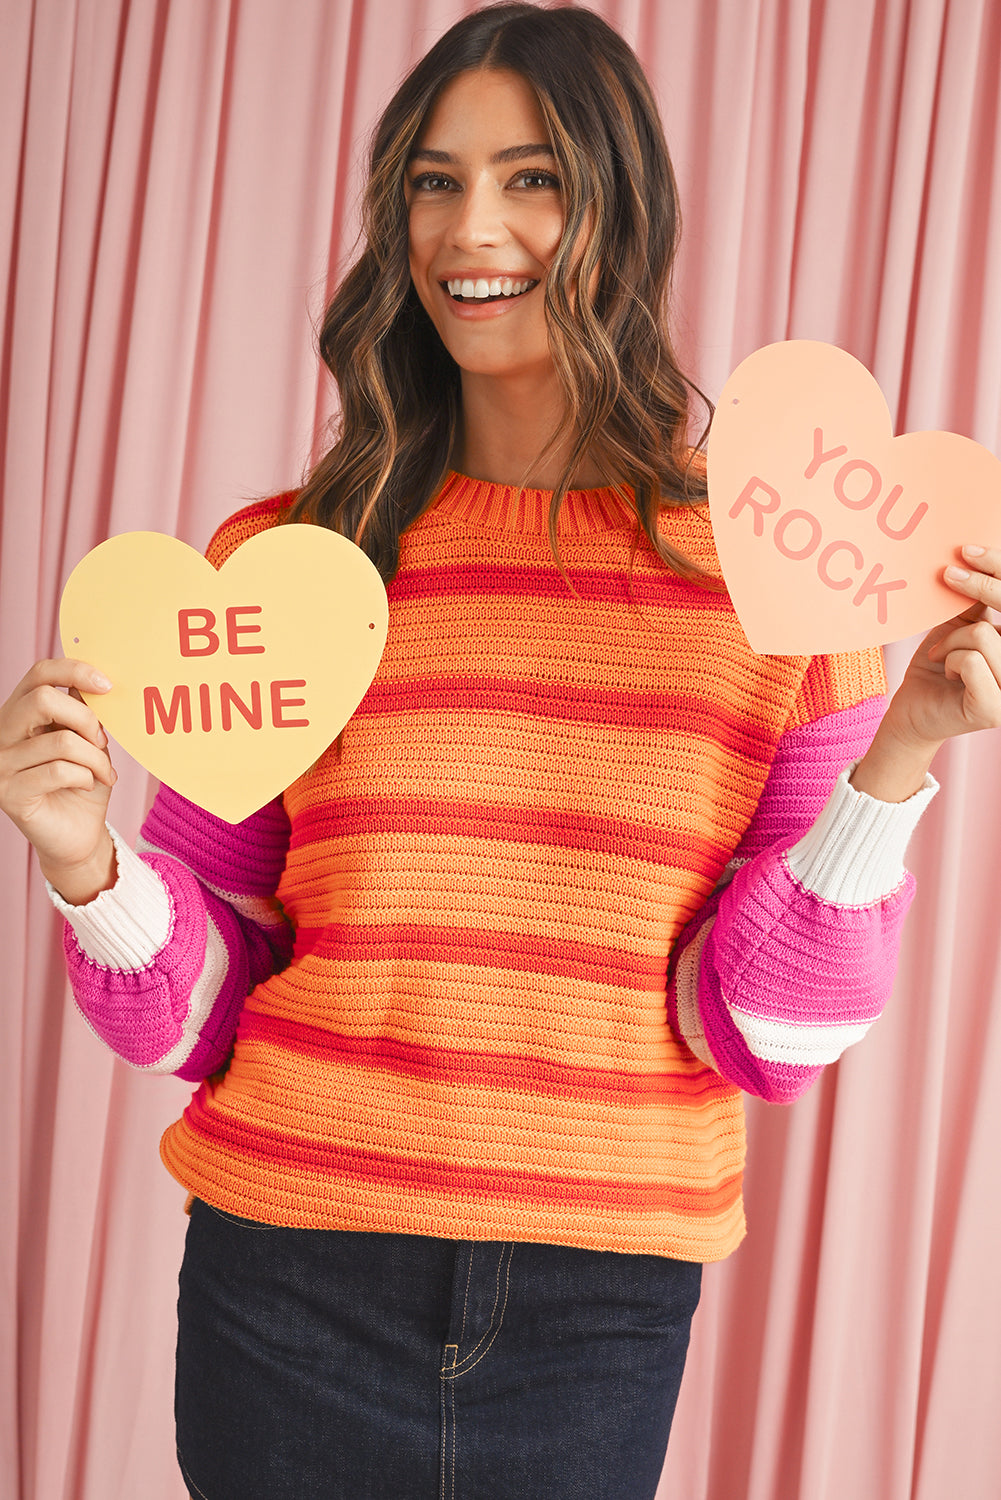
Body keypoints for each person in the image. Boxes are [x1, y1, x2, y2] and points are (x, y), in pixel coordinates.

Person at [2, 5, 1000, 1497]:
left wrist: (902, 753)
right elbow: (193, 1024)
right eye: (432, 179)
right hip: (287, 1269)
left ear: (624, 211)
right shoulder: (287, 561)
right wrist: (85, 863)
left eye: (534, 179)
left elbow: (763, 1040)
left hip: (594, 1305)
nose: (472, 227)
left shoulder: (778, 573)